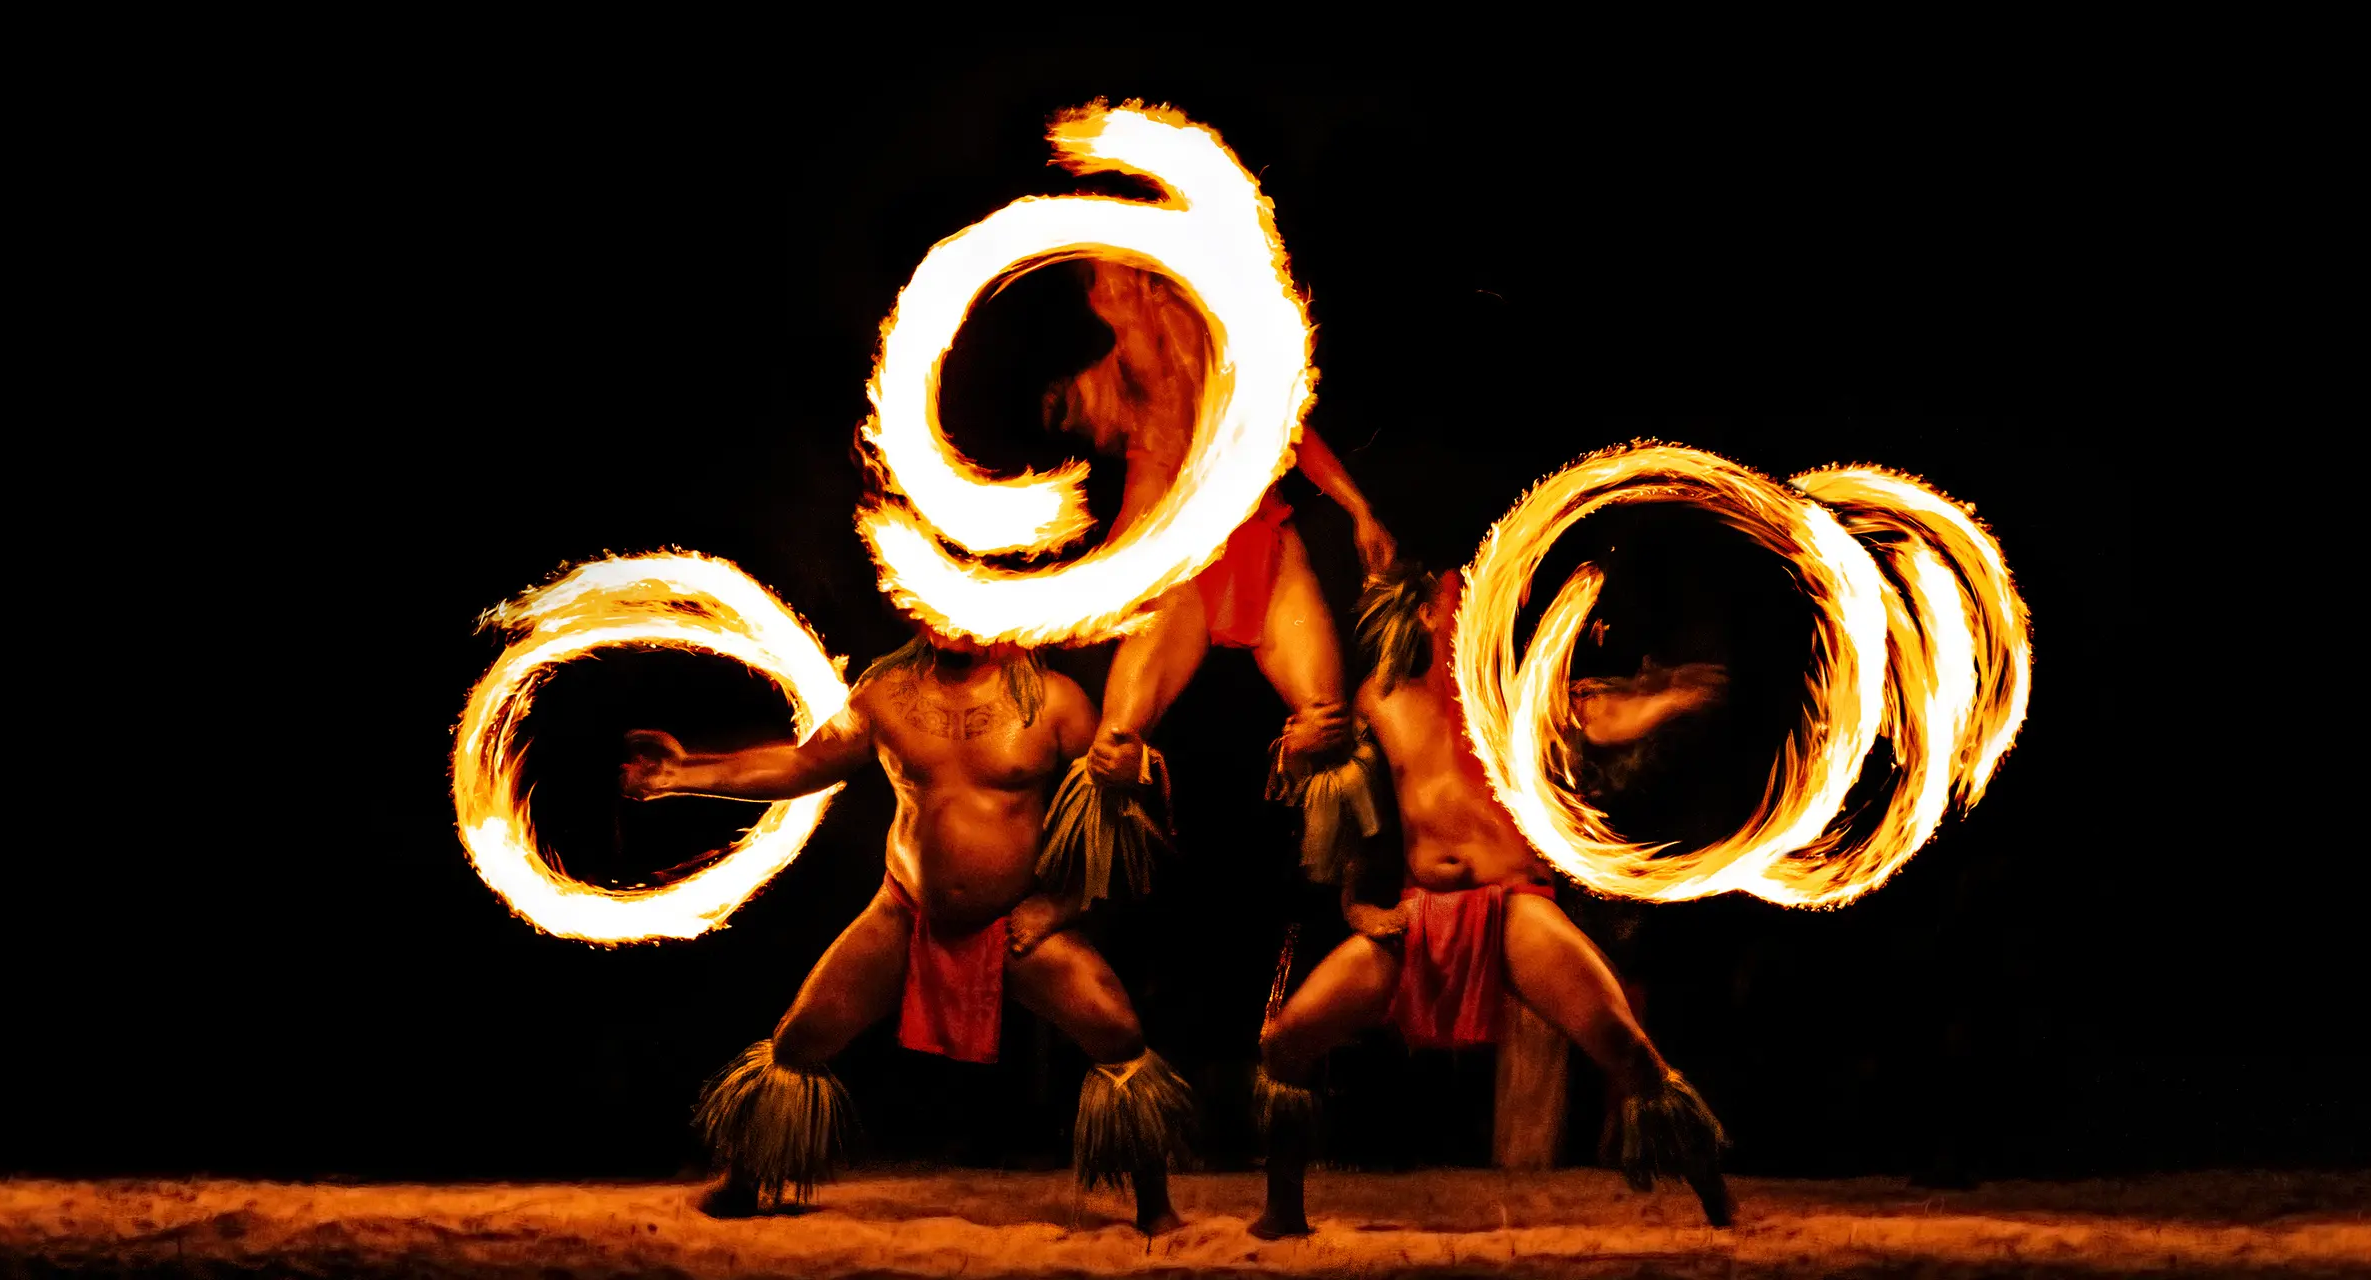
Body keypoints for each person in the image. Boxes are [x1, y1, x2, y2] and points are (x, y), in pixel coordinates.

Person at [622, 626, 1193, 1233]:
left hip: (1020, 921)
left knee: (1120, 1039)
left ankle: (1155, 1207)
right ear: (921, 609)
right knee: (799, 1039)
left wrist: (1063, 902)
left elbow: (1125, 818)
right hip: (903, 912)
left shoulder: (1055, 702)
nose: (958, 624)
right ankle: (742, 1184)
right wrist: (682, 773)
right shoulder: (886, 695)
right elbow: (802, 764)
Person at [1247, 568, 1738, 1238]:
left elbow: (1609, 713)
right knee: (1287, 1043)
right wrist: (1354, 900)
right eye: (1459, 590)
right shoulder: (1379, 701)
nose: (1479, 598)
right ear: (1425, 613)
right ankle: (1282, 1213)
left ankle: (1718, 1202)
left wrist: (1672, 696)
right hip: (1418, 915)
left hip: (1514, 910)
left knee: (1629, 1051)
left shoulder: (1520, 699)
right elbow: (1346, 817)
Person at [1046, 262, 1400, 907]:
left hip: (1266, 553)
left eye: (1135, 278)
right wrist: (1099, 586)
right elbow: (1137, 516)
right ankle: (1073, 903)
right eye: (1107, 283)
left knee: (1328, 726)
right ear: (1097, 302)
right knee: (1114, 748)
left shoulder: (1223, 344)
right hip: (1181, 574)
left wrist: (1359, 509)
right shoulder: (1110, 384)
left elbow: (1292, 432)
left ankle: (1349, 902)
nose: (1124, 291)